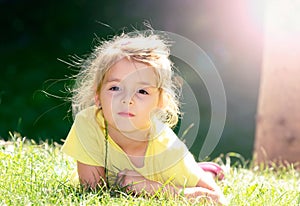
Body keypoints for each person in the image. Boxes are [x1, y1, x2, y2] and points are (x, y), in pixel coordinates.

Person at [62, 30, 226, 204]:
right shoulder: (89, 123)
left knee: (191, 177)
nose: (127, 100)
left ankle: (207, 171)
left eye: (142, 91)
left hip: (171, 170)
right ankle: (205, 170)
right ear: (98, 95)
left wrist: (150, 188)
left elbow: (217, 199)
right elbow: (92, 191)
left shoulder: (168, 149)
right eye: (115, 88)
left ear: (160, 101)